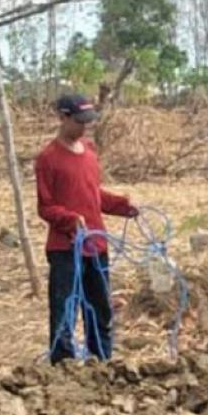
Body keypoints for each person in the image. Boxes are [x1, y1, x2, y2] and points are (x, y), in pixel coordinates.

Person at [36, 94, 138, 364]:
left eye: (87, 122)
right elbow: (45, 207)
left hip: (96, 244)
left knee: (99, 307)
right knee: (65, 309)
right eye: (79, 122)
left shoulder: (90, 151)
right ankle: (63, 365)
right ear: (63, 117)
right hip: (65, 247)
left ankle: (101, 361)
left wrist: (123, 206)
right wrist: (70, 219)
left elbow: (94, 195)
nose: (84, 128)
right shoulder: (48, 158)